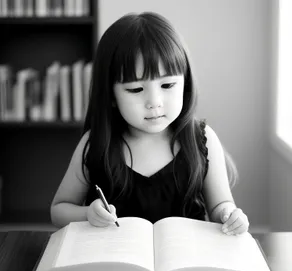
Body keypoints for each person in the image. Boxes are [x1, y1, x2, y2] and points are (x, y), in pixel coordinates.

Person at [51, 11, 249, 235]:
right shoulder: (96, 143)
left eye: (167, 86)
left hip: (187, 265)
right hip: (115, 264)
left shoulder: (201, 139)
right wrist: (87, 214)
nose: (154, 103)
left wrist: (229, 215)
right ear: (111, 96)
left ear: (185, 84)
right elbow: (58, 211)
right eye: (136, 89)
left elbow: (220, 206)